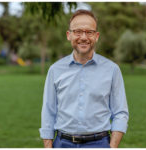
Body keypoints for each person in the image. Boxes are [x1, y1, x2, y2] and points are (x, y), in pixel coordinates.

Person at [39, 9, 129, 148]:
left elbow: (120, 112)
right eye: (78, 31)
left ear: (96, 36)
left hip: (99, 144)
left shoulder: (112, 70)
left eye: (89, 32)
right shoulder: (55, 70)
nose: (83, 37)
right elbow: (48, 112)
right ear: (69, 35)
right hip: (62, 144)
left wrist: (112, 146)